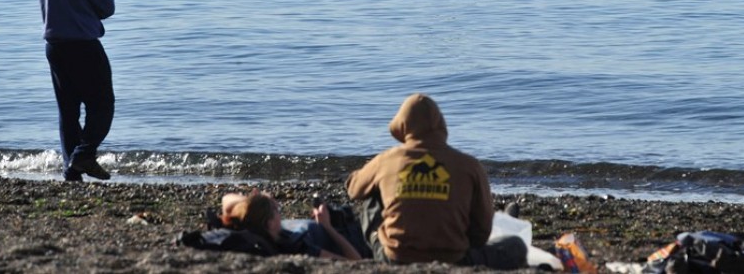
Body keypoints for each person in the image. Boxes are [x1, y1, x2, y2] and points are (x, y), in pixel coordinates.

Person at [346, 93, 526, 269]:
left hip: (394, 258)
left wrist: (378, 175)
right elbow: (482, 232)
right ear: (441, 126)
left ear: (402, 126)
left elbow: (353, 189)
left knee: (371, 192)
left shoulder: (386, 160)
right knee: (515, 245)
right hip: (455, 259)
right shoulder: (469, 166)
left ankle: (382, 242)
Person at [34, 0, 115, 182]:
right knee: (102, 104)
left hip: (55, 47)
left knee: (68, 110)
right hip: (83, 45)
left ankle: (72, 169)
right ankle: (83, 153)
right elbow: (107, 8)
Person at [215, 189, 364, 260]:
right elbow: (355, 261)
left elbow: (226, 199)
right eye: (277, 210)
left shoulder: (247, 225)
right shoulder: (294, 245)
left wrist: (253, 201)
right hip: (345, 236)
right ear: (270, 223)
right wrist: (327, 227)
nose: (280, 213)